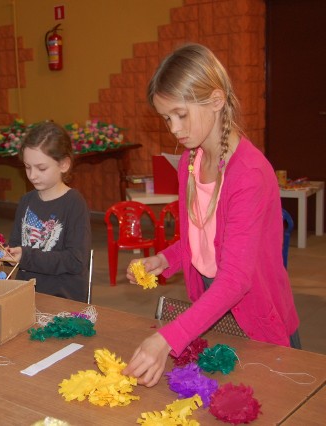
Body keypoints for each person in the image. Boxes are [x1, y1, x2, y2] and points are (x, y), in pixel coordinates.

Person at [122, 43, 300, 387]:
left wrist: (167, 339)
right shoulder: (190, 162)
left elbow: (235, 279)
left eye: (180, 114)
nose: (174, 128)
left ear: (216, 101)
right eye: (166, 118)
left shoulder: (249, 174)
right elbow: (201, 237)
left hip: (259, 319)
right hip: (210, 308)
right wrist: (166, 259)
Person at [6, 121, 92, 302]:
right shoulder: (26, 201)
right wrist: (1, 253)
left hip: (62, 299)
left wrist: (26, 256)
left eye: (41, 168)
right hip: (27, 295)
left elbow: (75, 261)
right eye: (27, 167)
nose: (32, 175)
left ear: (64, 165)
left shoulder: (74, 203)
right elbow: (16, 247)